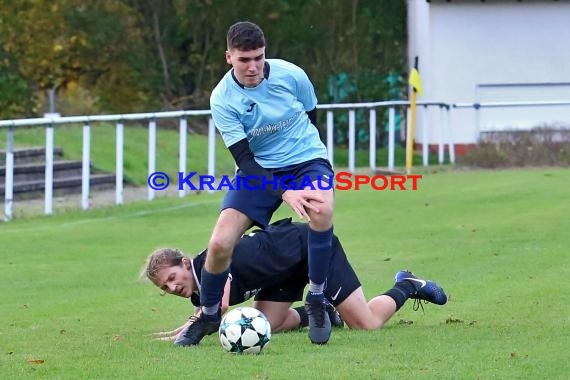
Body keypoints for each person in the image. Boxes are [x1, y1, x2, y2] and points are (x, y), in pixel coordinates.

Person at [191, 21, 336, 345]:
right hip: (258, 169)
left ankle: (316, 299)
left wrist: (301, 169)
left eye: (258, 57)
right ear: (229, 57)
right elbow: (245, 160)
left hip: (306, 159)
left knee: (322, 210)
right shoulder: (222, 98)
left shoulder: (291, 75)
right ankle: (209, 314)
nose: (253, 66)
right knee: (219, 243)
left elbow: (311, 117)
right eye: (244, 60)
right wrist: (284, 191)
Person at [142, 218, 448, 346]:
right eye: (164, 288)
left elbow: (218, 307)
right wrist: (180, 329)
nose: (171, 288)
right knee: (266, 326)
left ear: (185, 264)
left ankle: (408, 284)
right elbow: (204, 310)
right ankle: (327, 313)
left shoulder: (210, 265)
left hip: (309, 248)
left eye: (171, 278)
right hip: (281, 273)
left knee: (366, 324)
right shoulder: (197, 292)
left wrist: (184, 336)